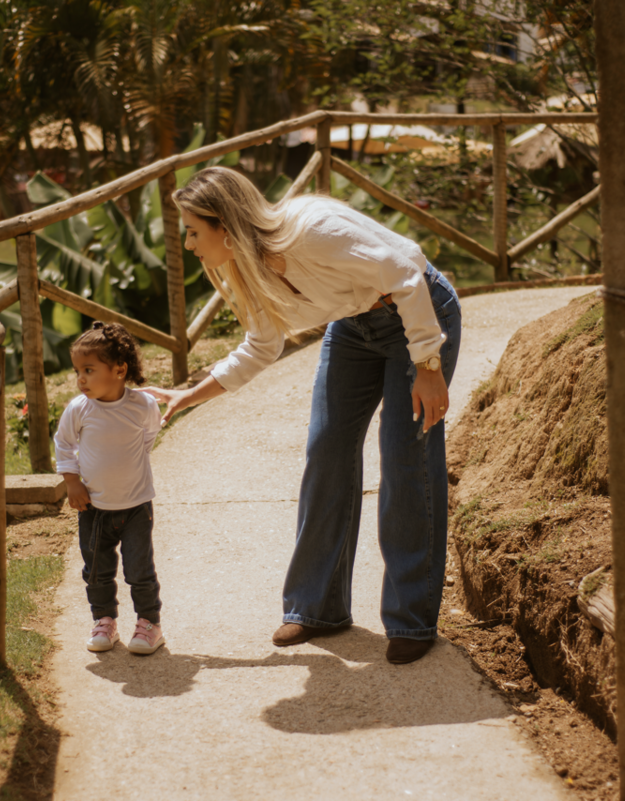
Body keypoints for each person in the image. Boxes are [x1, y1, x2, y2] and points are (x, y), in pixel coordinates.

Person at [145, 166, 462, 665]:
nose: (188, 243)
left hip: (418, 313)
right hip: (355, 326)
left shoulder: (311, 231)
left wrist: (428, 364)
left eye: (192, 230)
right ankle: (317, 609)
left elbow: (404, 271)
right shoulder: (246, 267)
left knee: (405, 457)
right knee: (326, 449)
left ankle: (412, 619)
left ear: (224, 227)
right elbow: (259, 347)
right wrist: (188, 395)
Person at [55, 321, 166, 655]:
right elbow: (63, 445)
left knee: (139, 571)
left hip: (135, 506)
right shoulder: (79, 409)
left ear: (119, 370)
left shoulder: (142, 406)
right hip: (94, 508)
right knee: (97, 572)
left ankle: (149, 625)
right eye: (78, 371)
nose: (81, 379)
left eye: (89, 370)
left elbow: (149, 437)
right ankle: (104, 622)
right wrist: (72, 482)